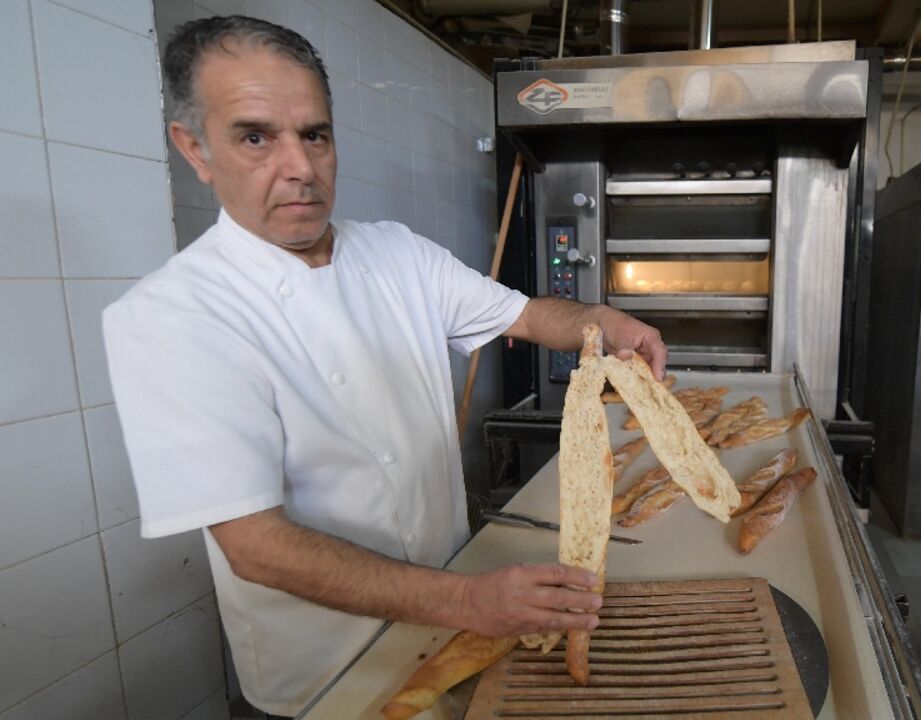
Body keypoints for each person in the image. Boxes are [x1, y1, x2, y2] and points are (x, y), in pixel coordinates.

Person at [103, 15, 666, 718]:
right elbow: (258, 548)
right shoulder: (171, 316)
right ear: (194, 148)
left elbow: (522, 314)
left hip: (454, 629)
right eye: (255, 137)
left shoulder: (396, 252)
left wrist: (600, 322)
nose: (300, 168)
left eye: (315, 134)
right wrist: (469, 598)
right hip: (322, 676)